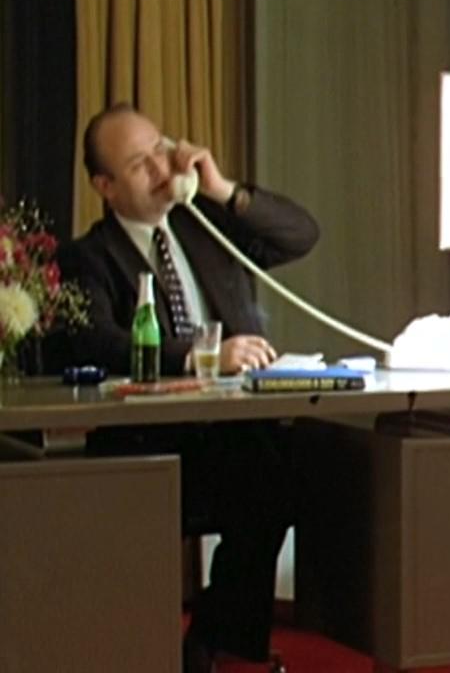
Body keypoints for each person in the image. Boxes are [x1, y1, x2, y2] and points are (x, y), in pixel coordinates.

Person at [58, 103, 320, 672]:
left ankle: (215, 643)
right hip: (148, 439)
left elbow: (302, 234)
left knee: (294, 470)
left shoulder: (206, 228)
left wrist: (223, 190)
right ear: (105, 186)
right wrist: (201, 357)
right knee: (261, 479)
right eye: (138, 164)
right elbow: (97, 343)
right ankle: (199, 646)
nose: (159, 169)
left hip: (234, 430)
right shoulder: (87, 257)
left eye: (161, 149)